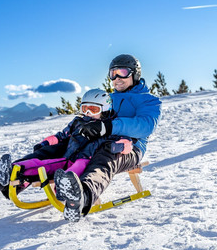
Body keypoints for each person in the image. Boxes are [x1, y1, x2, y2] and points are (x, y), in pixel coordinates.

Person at [53, 54, 162, 222]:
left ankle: (83, 196)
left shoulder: (149, 101)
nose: (117, 78)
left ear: (135, 74)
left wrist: (109, 126)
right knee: (69, 145)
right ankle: (22, 176)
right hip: (97, 142)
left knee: (105, 158)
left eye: (122, 72)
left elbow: (146, 125)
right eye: (113, 74)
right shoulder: (108, 98)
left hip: (128, 148)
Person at [0, 88, 114, 207]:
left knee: (73, 170)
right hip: (65, 158)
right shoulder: (77, 122)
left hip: (84, 161)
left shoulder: (107, 128)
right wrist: (47, 142)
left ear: (105, 109)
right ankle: (4, 175)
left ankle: (66, 191)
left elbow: (113, 144)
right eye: (84, 108)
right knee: (38, 164)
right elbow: (62, 135)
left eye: (93, 110)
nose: (87, 113)